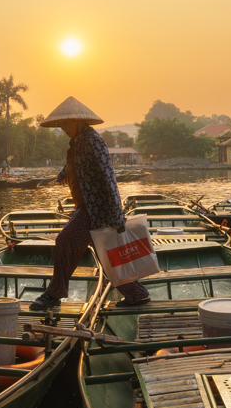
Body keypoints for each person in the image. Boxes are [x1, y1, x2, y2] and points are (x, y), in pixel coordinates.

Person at [31, 97, 151, 311]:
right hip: (88, 207)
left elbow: (108, 177)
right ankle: (137, 295)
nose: (63, 128)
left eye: (66, 123)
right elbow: (76, 162)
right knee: (107, 255)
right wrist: (63, 172)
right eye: (61, 124)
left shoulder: (92, 140)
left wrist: (116, 215)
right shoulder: (78, 140)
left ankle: (54, 293)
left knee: (64, 242)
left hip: (95, 208)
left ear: (77, 120)